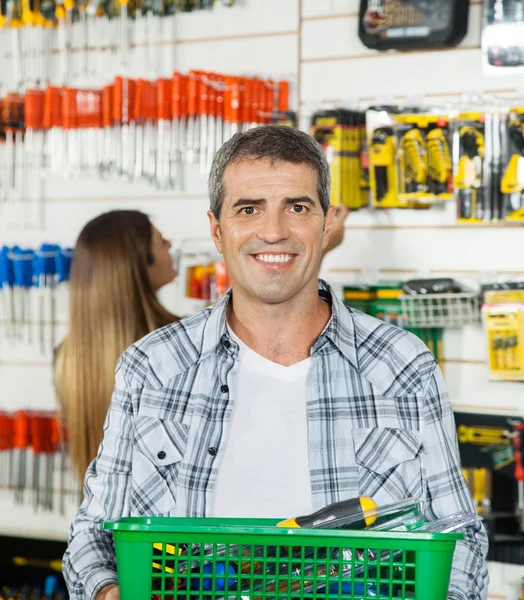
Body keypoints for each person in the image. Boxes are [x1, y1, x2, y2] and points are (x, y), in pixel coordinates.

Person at [63, 126, 488, 600]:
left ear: (326, 224)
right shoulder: (151, 367)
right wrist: (107, 592)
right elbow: (92, 537)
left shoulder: (403, 366)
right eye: (249, 209)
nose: (273, 231)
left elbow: (462, 538)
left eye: (297, 207)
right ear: (217, 229)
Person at [54, 210, 178, 481]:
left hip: (102, 515)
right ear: (138, 262)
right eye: (161, 241)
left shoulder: (66, 357)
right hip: (167, 520)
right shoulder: (179, 345)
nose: (170, 245)